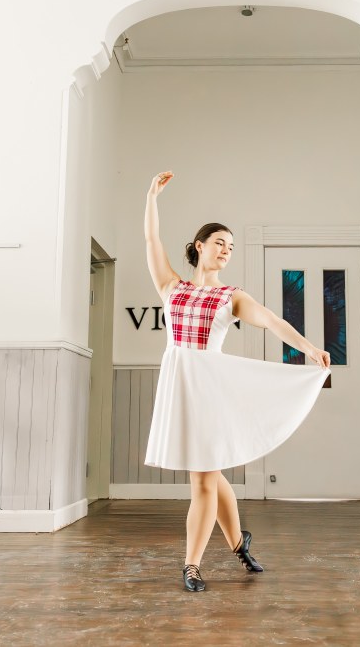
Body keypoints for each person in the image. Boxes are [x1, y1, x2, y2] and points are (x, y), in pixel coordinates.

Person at [143, 170, 332, 592]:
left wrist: (308, 348)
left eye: (231, 246)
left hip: (210, 390)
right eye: (219, 243)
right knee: (210, 474)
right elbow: (151, 243)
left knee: (202, 479)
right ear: (199, 247)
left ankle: (191, 565)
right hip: (179, 388)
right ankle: (238, 543)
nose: (226, 251)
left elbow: (272, 321)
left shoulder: (232, 297)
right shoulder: (171, 287)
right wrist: (151, 198)